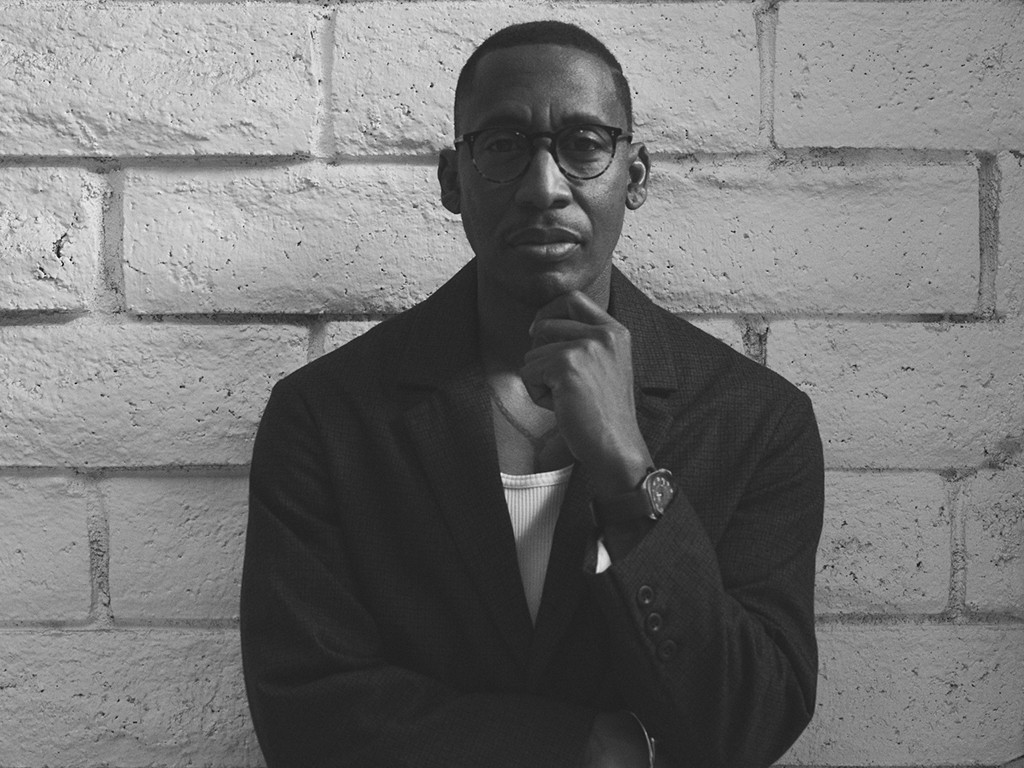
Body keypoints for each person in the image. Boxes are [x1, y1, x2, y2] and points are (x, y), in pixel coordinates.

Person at [241, 20, 824, 768]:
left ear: (634, 176)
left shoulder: (756, 423)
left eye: (585, 144)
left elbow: (751, 720)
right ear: (454, 179)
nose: (544, 188)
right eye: (504, 146)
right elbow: (307, 716)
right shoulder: (326, 417)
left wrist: (629, 475)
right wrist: (577, 747)